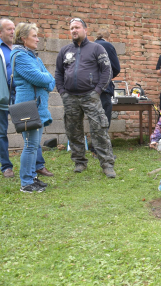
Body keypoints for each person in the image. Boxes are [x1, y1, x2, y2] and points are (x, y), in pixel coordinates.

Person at [55, 18, 116, 178]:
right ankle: (79, 162)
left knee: (99, 130)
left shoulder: (97, 48)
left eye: (77, 27)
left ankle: (107, 164)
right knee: (73, 131)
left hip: (91, 95)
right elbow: (58, 73)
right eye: (71, 28)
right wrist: (62, 91)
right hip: (70, 97)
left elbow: (107, 70)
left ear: (85, 30)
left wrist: (97, 90)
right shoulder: (64, 51)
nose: (74, 30)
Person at [0, 18, 53, 179]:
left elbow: (50, 82)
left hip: (35, 105)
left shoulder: (32, 56)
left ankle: (32, 176)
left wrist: (47, 78)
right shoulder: (21, 56)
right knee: (30, 145)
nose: (38, 39)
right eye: (34, 36)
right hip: (25, 104)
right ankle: (27, 181)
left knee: (33, 144)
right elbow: (41, 78)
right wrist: (47, 78)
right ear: (24, 38)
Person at [90, 28, 120, 158]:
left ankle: (95, 148)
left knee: (94, 118)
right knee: (104, 119)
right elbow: (116, 67)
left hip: (89, 88)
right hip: (103, 87)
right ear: (108, 37)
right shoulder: (107, 45)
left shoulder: (89, 46)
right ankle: (101, 151)